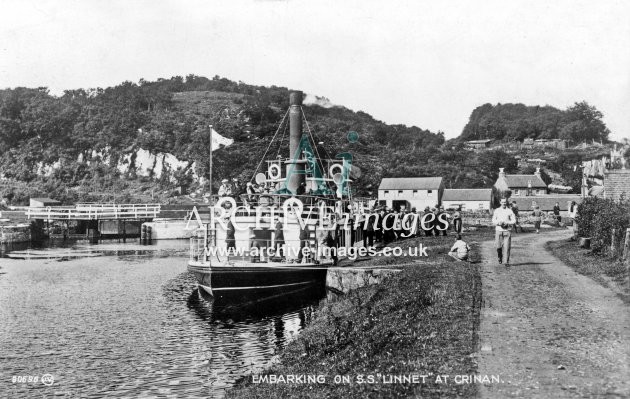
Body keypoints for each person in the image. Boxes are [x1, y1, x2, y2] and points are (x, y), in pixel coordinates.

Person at [492, 198, 516, 266]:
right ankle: (500, 256)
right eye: (502, 202)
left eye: (505, 202)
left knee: (507, 246)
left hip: (507, 231)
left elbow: (514, 220)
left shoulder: (509, 211)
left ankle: (506, 262)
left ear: (506, 203)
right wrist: (498, 223)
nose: (504, 203)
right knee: (498, 246)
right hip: (498, 230)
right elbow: (493, 220)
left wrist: (508, 222)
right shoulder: (497, 210)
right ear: (500, 202)